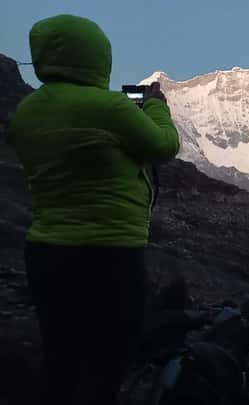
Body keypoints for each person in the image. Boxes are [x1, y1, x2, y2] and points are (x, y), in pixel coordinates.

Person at [8, 14, 179, 405]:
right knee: (109, 357)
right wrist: (154, 107)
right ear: (97, 55)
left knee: (62, 354)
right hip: (112, 252)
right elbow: (164, 146)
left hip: (47, 250)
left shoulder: (27, 111)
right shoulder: (111, 108)